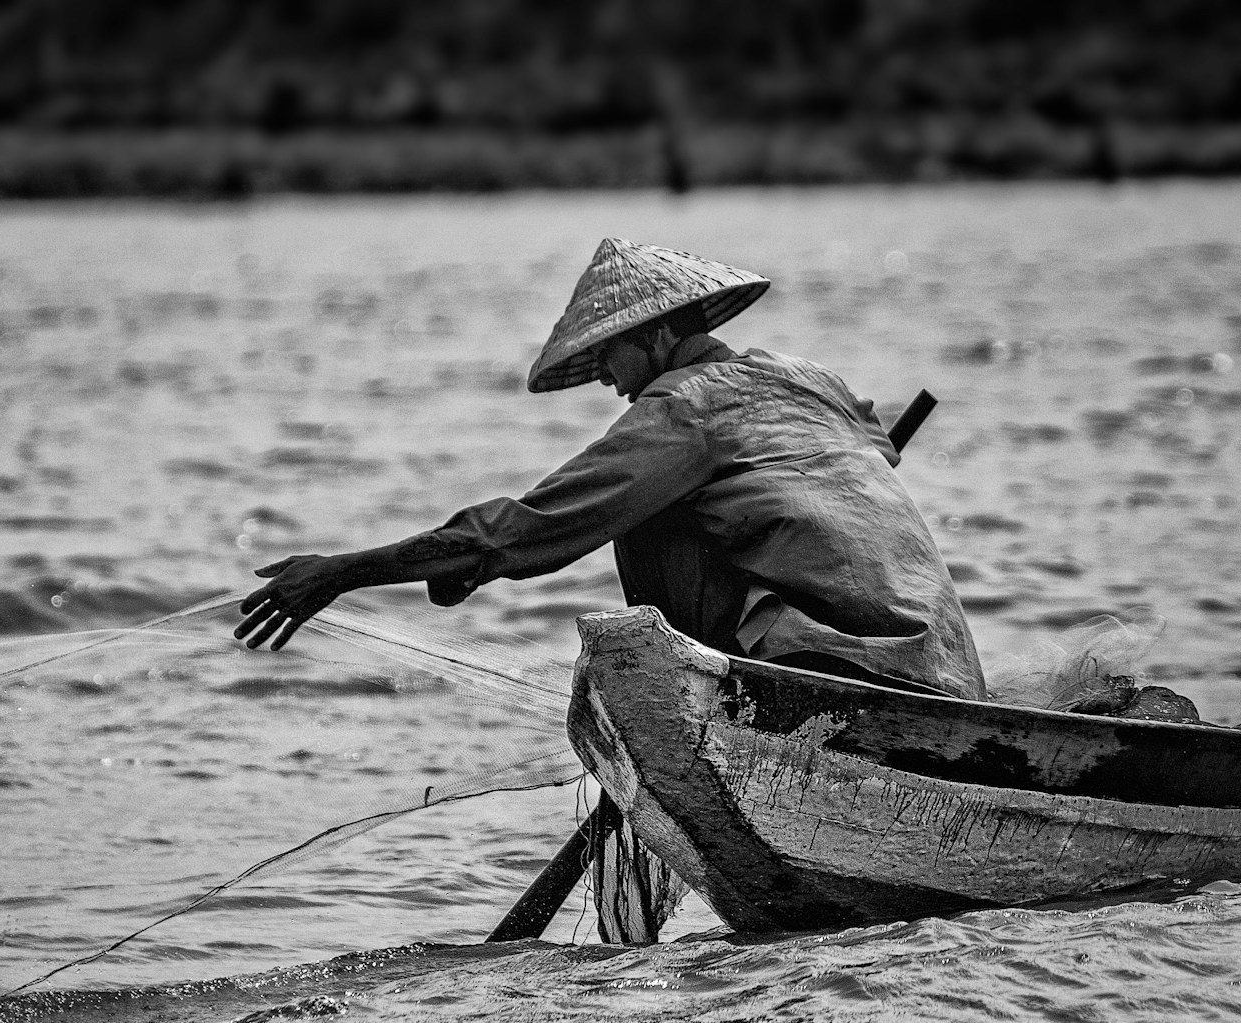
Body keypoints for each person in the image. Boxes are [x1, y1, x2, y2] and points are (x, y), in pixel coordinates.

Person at [235, 237, 985, 701]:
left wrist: (340, 572)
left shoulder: (679, 412)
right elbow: (872, 456)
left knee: (649, 511)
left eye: (610, 356)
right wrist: (477, 559)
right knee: (681, 506)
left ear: (658, 335)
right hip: (948, 669)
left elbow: (530, 527)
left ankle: (710, 703)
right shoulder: (811, 377)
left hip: (845, 672)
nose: (607, 379)